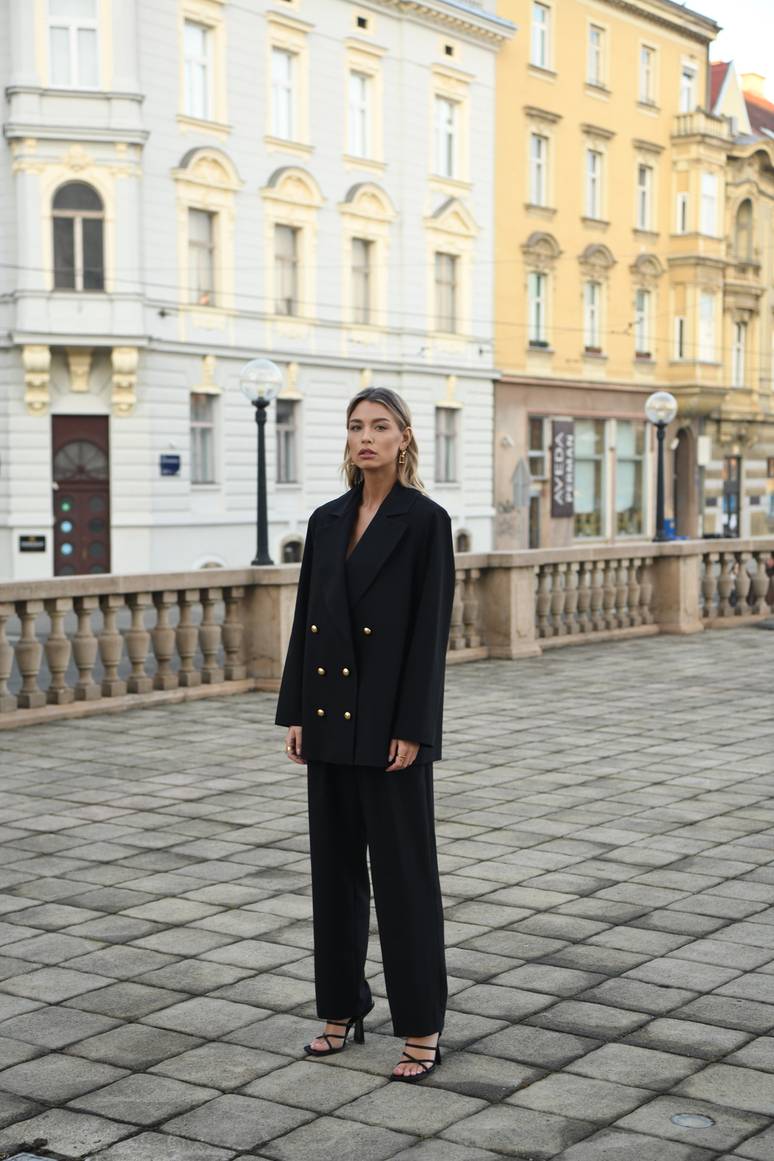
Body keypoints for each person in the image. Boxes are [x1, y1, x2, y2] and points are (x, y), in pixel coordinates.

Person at [275, 386, 455, 1083]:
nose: (367, 437)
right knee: (336, 873)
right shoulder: (325, 521)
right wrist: (295, 709)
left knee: (405, 878)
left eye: (380, 426)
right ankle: (341, 1007)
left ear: (405, 437)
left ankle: (422, 1023)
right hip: (325, 718)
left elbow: (428, 634)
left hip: (389, 728)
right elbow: (305, 619)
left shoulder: (425, 521)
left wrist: (414, 727)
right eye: (356, 426)